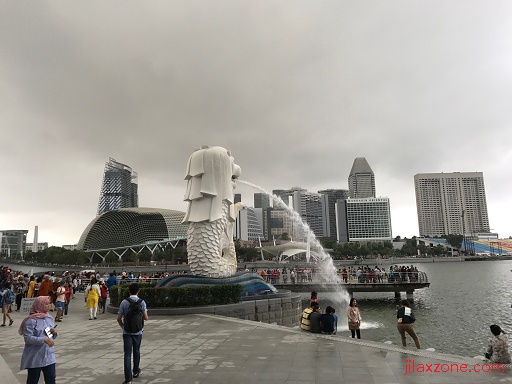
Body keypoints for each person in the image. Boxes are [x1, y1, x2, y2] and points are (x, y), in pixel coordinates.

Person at [19, 296, 58, 384]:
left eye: (49, 304)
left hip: (49, 356)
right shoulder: (31, 321)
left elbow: (49, 334)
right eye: (46, 304)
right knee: (33, 380)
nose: (49, 306)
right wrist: (43, 339)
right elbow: (28, 338)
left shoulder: (49, 318)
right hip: (35, 356)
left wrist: (54, 332)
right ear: (40, 305)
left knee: (51, 379)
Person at [117, 283, 149, 384]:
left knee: (127, 354)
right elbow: (146, 318)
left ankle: (128, 379)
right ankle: (135, 371)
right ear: (138, 291)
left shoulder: (124, 302)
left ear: (129, 291)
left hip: (127, 332)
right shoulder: (142, 302)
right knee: (136, 351)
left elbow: (118, 318)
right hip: (138, 331)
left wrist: (123, 326)